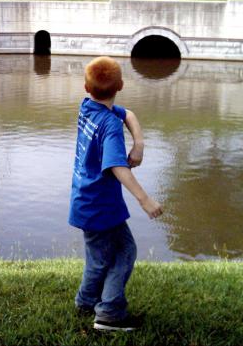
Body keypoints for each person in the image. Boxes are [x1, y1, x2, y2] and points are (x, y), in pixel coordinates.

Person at [69, 56, 163, 331]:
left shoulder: (87, 108)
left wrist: (139, 144)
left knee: (98, 257)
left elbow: (128, 114)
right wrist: (145, 200)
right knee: (124, 251)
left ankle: (86, 301)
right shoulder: (110, 126)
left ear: (87, 89)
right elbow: (116, 166)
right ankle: (109, 313)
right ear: (120, 85)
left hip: (85, 200)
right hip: (101, 205)